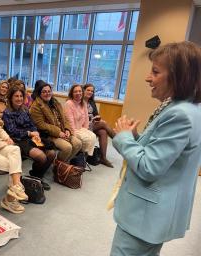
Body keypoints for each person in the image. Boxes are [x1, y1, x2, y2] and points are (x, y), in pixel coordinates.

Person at [109, 41, 201, 256]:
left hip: (145, 216)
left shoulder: (180, 115)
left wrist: (123, 138)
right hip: (155, 213)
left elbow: (149, 167)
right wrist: (136, 138)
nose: (148, 78)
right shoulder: (186, 108)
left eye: (156, 71)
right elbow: (164, 154)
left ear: (179, 76)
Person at [3, 86, 55, 190]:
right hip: (19, 140)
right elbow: (13, 131)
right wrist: (29, 133)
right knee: (41, 156)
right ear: (11, 98)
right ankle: (35, 177)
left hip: (31, 136)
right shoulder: (7, 113)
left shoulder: (25, 109)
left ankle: (36, 177)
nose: (19, 98)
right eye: (16, 96)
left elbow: (32, 123)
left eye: (21, 96)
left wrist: (35, 132)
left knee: (51, 154)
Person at [30, 83, 82, 162]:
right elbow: (41, 125)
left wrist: (67, 129)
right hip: (47, 135)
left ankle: (62, 164)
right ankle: (58, 166)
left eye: (49, 91)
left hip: (62, 131)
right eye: (44, 92)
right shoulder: (36, 106)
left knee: (78, 143)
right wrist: (58, 132)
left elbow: (64, 118)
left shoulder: (55, 102)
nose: (47, 93)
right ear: (39, 93)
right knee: (67, 147)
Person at [83, 83, 114, 167]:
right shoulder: (79, 101)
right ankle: (116, 138)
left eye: (92, 91)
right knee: (103, 123)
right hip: (83, 126)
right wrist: (92, 120)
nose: (90, 92)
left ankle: (103, 158)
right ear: (83, 90)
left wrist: (97, 117)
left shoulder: (91, 101)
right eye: (88, 90)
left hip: (92, 124)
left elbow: (96, 114)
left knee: (103, 132)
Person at [65, 84, 96, 160]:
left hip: (81, 128)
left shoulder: (83, 103)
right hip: (72, 130)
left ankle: (83, 157)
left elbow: (86, 119)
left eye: (80, 91)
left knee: (93, 136)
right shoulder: (69, 103)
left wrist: (85, 129)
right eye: (75, 92)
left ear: (82, 93)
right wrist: (74, 133)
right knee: (85, 139)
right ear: (72, 93)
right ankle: (79, 156)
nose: (78, 93)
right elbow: (70, 121)